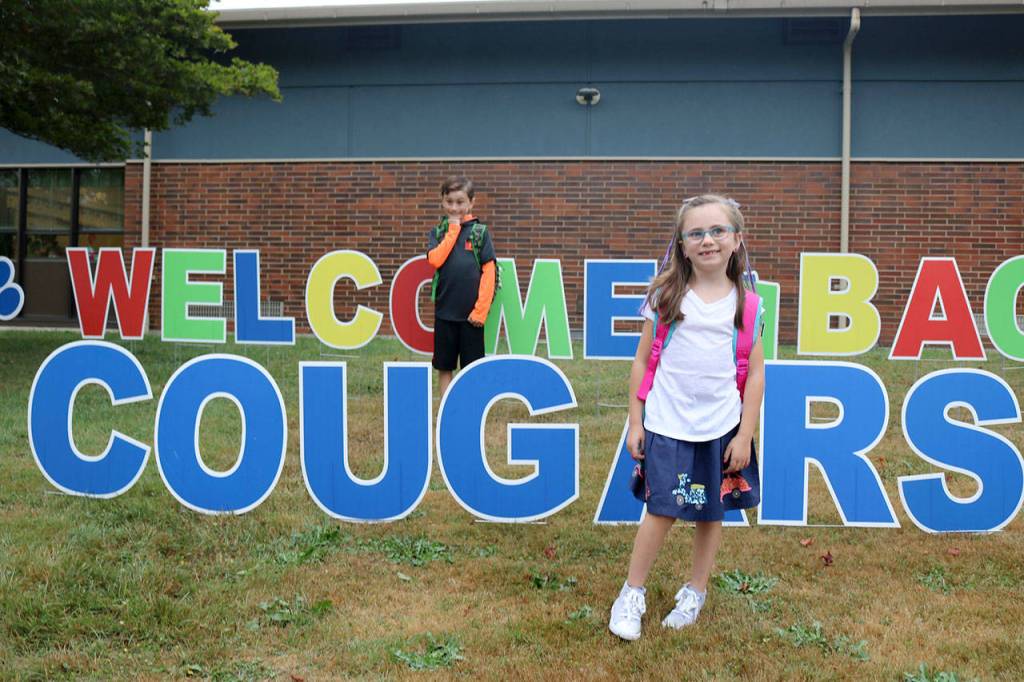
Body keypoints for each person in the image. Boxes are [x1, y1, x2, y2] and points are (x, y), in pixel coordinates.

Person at [608, 194, 765, 641]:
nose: (707, 240)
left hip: (722, 427)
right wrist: (636, 422)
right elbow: (642, 363)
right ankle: (631, 593)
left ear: (736, 239)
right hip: (667, 423)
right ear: (682, 243)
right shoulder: (665, 296)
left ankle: (695, 591)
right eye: (695, 232)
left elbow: (755, 375)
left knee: (710, 513)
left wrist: (746, 434)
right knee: (660, 510)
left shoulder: (749, 306)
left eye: (717, 231)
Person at [427, 176, 497, 396]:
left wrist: (480, 311)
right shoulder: (438, 232)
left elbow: (489, 272)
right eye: (449, 202)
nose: (454, 207)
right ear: (442, 201)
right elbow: (435, 260)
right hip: (445, 313)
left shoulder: (480, 233)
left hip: (471, 318)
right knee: (444, 366)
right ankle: (447, 411)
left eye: (460, 202)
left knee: (472, 369)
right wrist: (453, 230)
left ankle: (469, 410)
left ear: (471, 203)